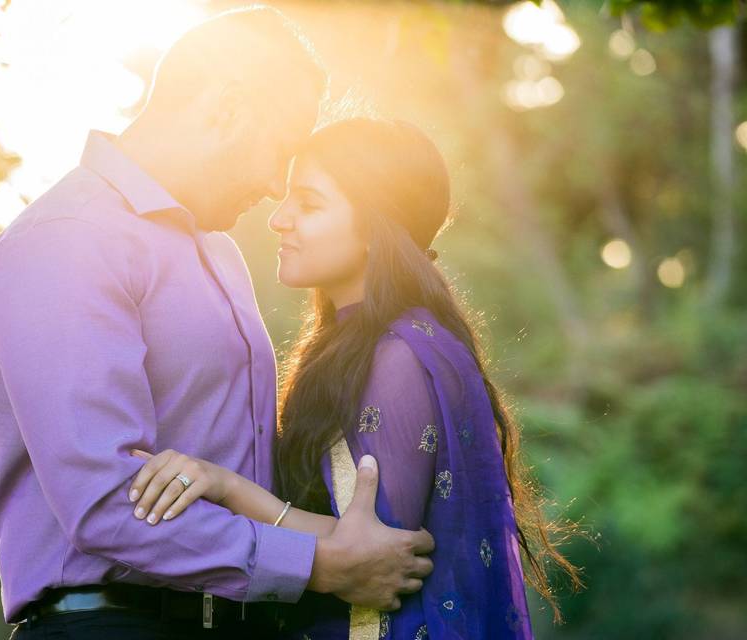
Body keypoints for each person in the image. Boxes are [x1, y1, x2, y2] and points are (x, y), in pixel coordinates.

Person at [0, 9, 436, 640]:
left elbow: (239, 469)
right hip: (114, 627)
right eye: (281, 150)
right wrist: (320, 564)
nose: (279, 187)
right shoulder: (69, 240)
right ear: (228, 108)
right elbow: (109, 502)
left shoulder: (219, 252)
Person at [129, 118, 583, 638]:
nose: (279, 219)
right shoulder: (345, 347)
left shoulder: (398, 357)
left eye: (310, 203)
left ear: (373, 227)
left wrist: (226, 485)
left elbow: (377, 553)